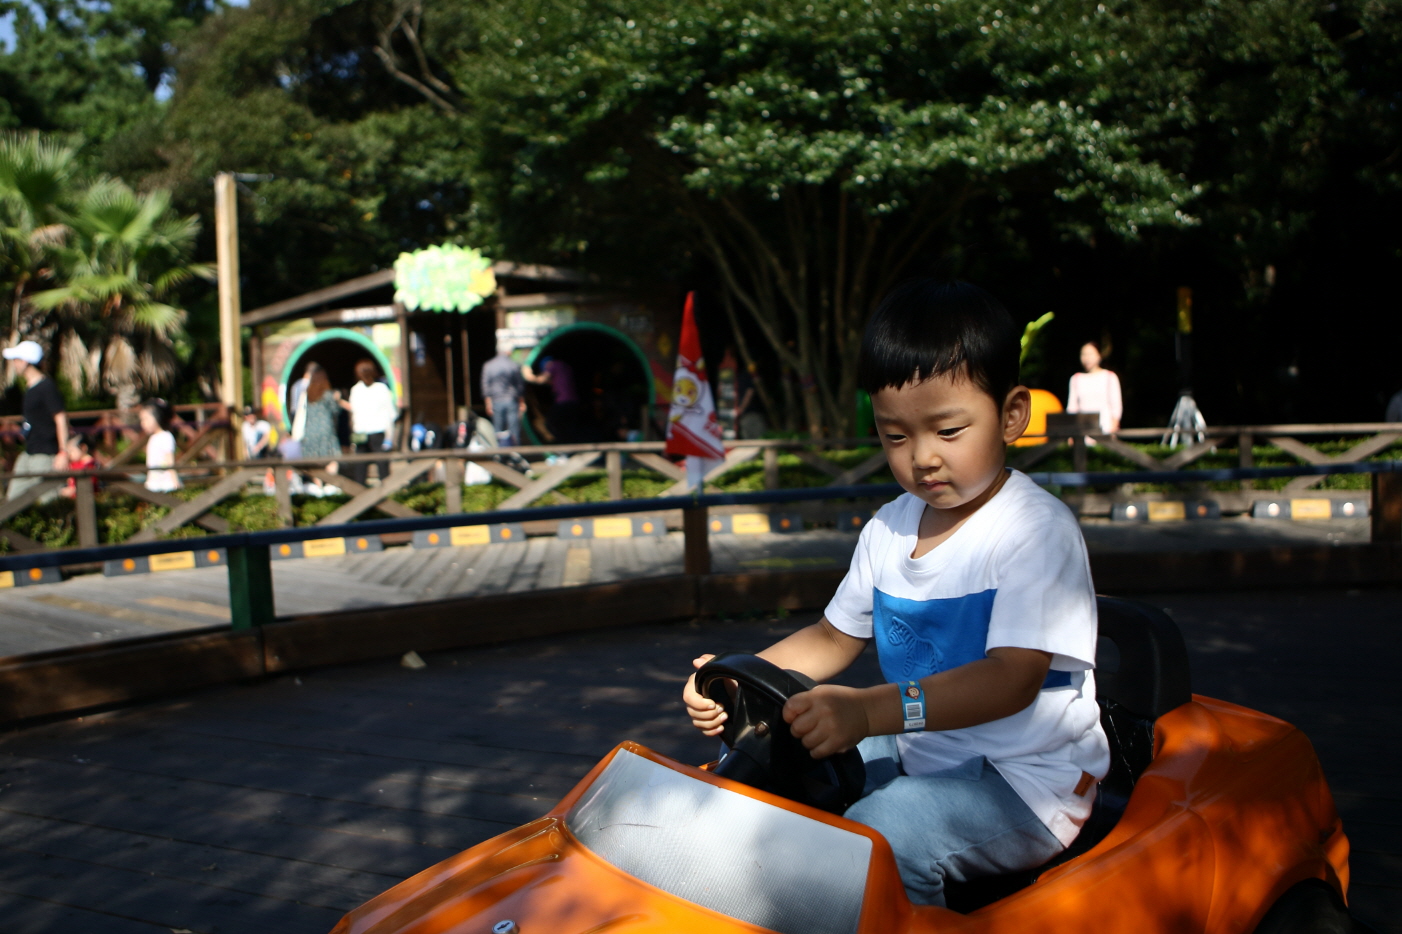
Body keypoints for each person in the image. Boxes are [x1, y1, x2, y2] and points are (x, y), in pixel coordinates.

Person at [682, 279, 1108, 907]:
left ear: (1011, 415)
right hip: (923, 746)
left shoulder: (1035, 530)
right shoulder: (888, 528)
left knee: (882, 836)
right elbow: (832, 638)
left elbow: (1011, 680)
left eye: (949, 430)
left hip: (1028, 780)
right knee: (776, 771)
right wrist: (735, 676)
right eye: (896, 436)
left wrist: (868, 711)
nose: (923, 458)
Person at [3, 340, 68, 502]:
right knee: (13, 499)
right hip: (30, 451)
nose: (14, 364)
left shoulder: (46, 387)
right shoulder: (30, 387)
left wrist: (63, 452)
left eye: (17, 359)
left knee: (48, 500)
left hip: (45, 453)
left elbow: (61, 419)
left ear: (26, 361)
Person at [344, 359, 397, 485]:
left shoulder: (356, 390)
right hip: (377, 431)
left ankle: (360, 494)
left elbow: (353, 413)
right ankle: (385, 494)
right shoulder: (381, 389)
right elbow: (391, 414)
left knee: (360, 468)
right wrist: (389, 436)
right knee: (382, 468)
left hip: (361, 432)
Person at [1066, 341, 1122, 436]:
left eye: (1090, 354)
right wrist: (1072, 431)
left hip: (1105, 430)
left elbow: (1116, 406)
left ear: (1099, 355)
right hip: (1082, 432)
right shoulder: (1075, 379)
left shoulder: (1110, 377)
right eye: (1084, 354)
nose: (1087, 358)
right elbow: (1072, 407)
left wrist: (1112, 428)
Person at [299, 363, 343, 484]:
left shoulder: (308, 395)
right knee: (332, 459)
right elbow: (335, 410)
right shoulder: (327, 394)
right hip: (325, 430)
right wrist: (337, 398)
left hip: (310, 431)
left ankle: (318, 487)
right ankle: (330, 484)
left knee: (315, 464)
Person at [524, 355, 584, 442]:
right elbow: (553, 382)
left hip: (563, 402)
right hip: (574, 402)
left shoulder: (553, 365)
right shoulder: (565, 367)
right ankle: (572, 444)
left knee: (551, 422)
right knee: (569, 426)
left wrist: (528, 376)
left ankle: (561, 443)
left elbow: (542, 380)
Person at [481, 342, 526, 446]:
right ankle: (515, 451)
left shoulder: (488, 365)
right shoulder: (513, 365)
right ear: (508, 351)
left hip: (496, 400)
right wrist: (521, 402)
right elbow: (519, 385)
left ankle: (499, 451)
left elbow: (485, 386)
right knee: (514, 429)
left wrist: (488, 403)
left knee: (498, 429)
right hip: (511, 400)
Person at [138, 399, 181, 493]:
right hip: (154, 483)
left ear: (157, 417)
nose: (143, 423)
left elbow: (170, 461)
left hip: (165, 484)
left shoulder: (166, 437)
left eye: (146, 419)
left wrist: (175, 481)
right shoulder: (153, 438)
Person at [59, 433, 96, 499]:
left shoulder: (90, 465)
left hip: (86, 498)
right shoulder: (74, 464)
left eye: (72, 451)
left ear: (83, 448)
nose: (69, 454)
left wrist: (73, 490)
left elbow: (90, 482)